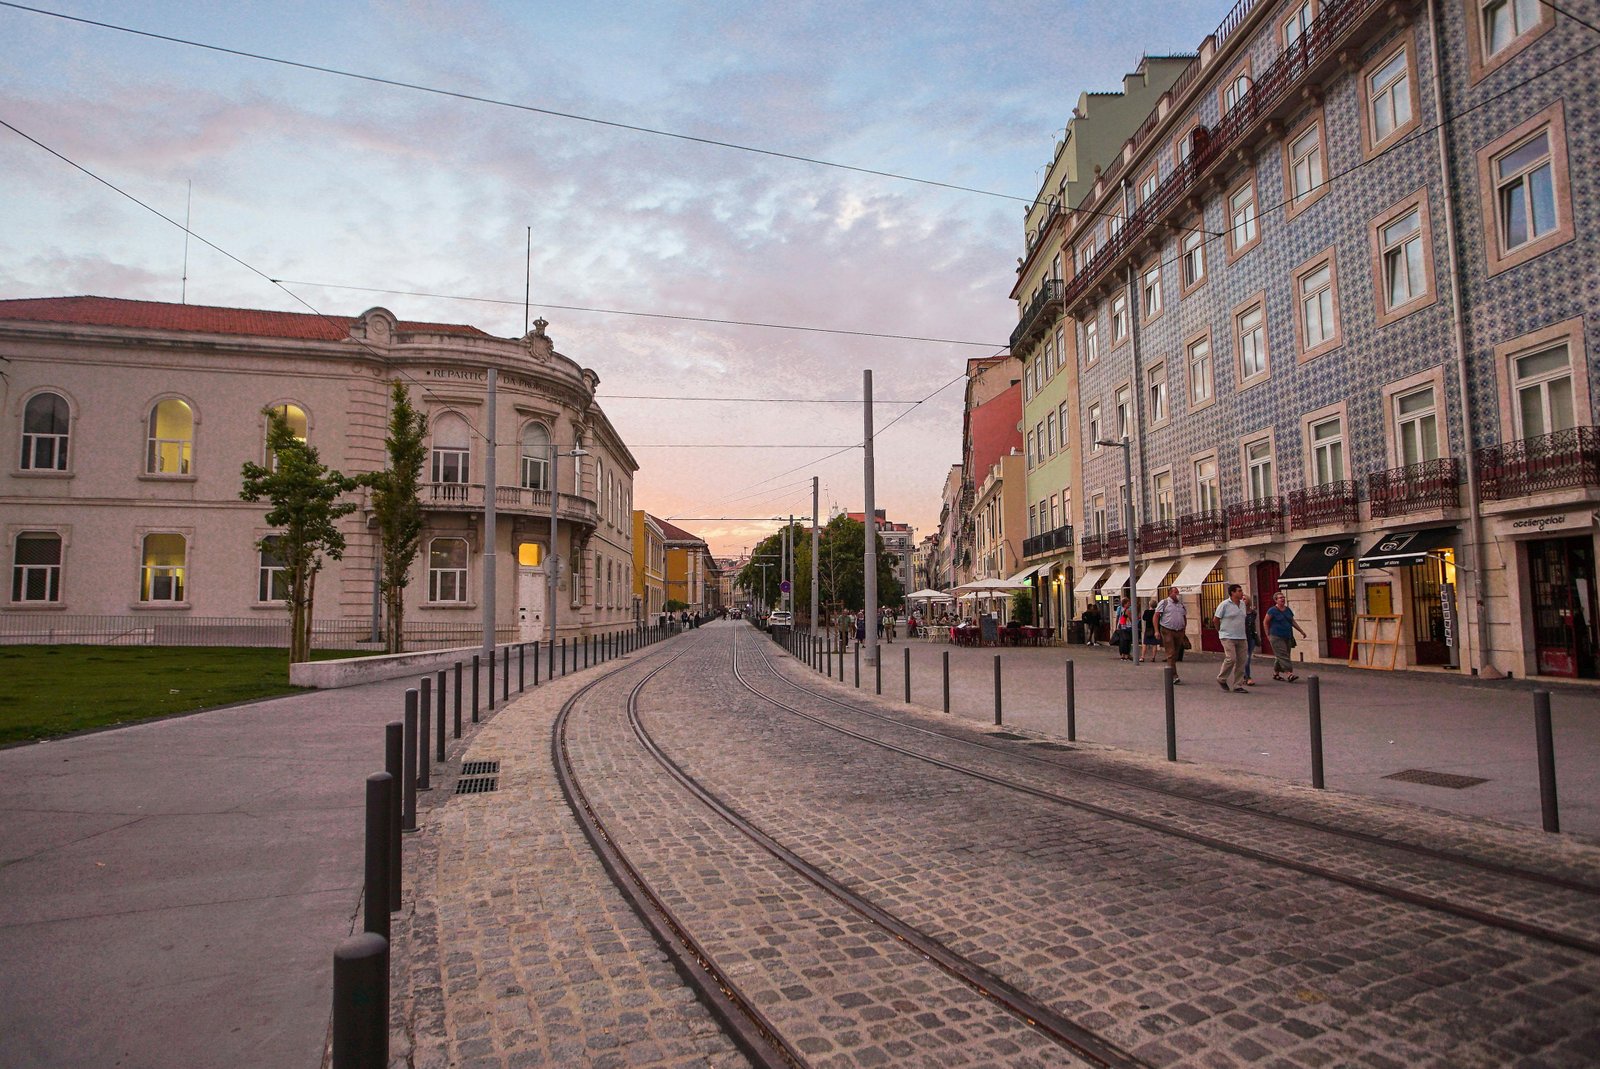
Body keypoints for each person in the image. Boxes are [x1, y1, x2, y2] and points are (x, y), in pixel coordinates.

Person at [1265, 590, 1308, 681]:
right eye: (1280, 598)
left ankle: (1276, 673)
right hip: (1276, 636)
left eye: (1283, 597)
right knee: (1283, 655)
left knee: (1282, 655)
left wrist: (1301, 631)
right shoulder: (1272, 610)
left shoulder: (1287, 609)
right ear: (1276, 600)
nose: (1282, 599)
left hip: (1287, 635)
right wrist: (1267, 635)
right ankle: (1289, 673)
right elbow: (1265, 622)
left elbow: (1292, 621)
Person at [1214, 584, 1250, 692]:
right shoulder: (1224, 604)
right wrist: (1220, 631)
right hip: (1227, 636)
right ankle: (1221, 678)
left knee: (1242, 660)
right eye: (1239, 591)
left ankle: (1237, 685)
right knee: (1231, 658)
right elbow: (1215, 619)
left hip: (1241, 636)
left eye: (1241, 590)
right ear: (1232, 593)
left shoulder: (1243, 604)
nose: (1241, 592)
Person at [1154, 586, 1188, 683]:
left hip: (1179, 631)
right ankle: (1174, 675)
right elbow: (1156, 616)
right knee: (1171, 653)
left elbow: (1184, 617)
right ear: (1170, 593)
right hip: (1167, 630)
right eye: (1175, 592)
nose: (1177, 594)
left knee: (1175, 654)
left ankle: (1170, 670)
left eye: (1178, 592)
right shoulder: (1164, 603)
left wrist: (1184, 629)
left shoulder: (1181, 605)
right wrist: (1156, 631)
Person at [1241, 594, 1258, 684]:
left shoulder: (1253, 613)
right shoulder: (1238, 612)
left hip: (1251, 637)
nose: (1243, 600)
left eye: (1245, 599)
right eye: (1242, 599)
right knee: (1245, 659)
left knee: (1247, 657)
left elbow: (1253, 625)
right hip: (1241, 637)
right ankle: (1247, 677)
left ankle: (1245, 677)